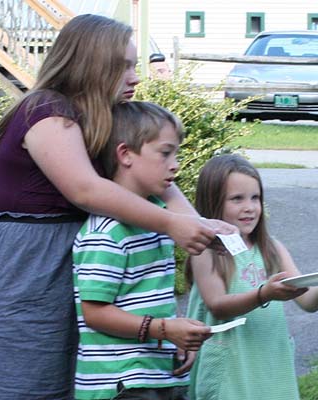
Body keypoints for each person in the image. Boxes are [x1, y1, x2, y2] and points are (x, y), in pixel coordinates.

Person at [0, 14, 232, 400]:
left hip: (95, 267)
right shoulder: (45, 111)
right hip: (30, 267)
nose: (134, 77)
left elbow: (161, 183)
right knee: (20, 385)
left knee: (92, 383)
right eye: (122, 65)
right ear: (91, 62)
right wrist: (172, 225)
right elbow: (85, 189)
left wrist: (203, 230)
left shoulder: (112, 120)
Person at [73, 101, 211, 400]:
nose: (175, 163)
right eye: (165, 153)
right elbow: (95, 313)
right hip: (120, 383)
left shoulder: (160, 221)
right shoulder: (107, 233)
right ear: (125, 155)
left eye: (176, 153)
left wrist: (176, 338)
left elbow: (150, 298)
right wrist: (165, 329)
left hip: (158, 375)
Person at [185, 154, 318, 400]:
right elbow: (217, 305)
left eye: (255, 198)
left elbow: (308, 302)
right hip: (230, 366)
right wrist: (264, 294)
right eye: (237, 199)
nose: (249, 207)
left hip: (270, 363)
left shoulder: (272, 248)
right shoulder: (207, 251)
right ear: (213, 202)